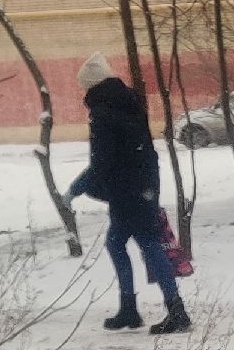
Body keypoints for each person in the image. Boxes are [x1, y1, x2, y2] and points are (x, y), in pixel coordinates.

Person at [68, 54, 188, 334]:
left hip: (127, 189)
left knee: (148, 243)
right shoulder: (129, 101)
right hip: (143, 183)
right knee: (117, 242)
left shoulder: (103, 113)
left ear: (92, 87)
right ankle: (130, 309)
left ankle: (177, 311)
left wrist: (78, 187)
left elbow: (102, 162)